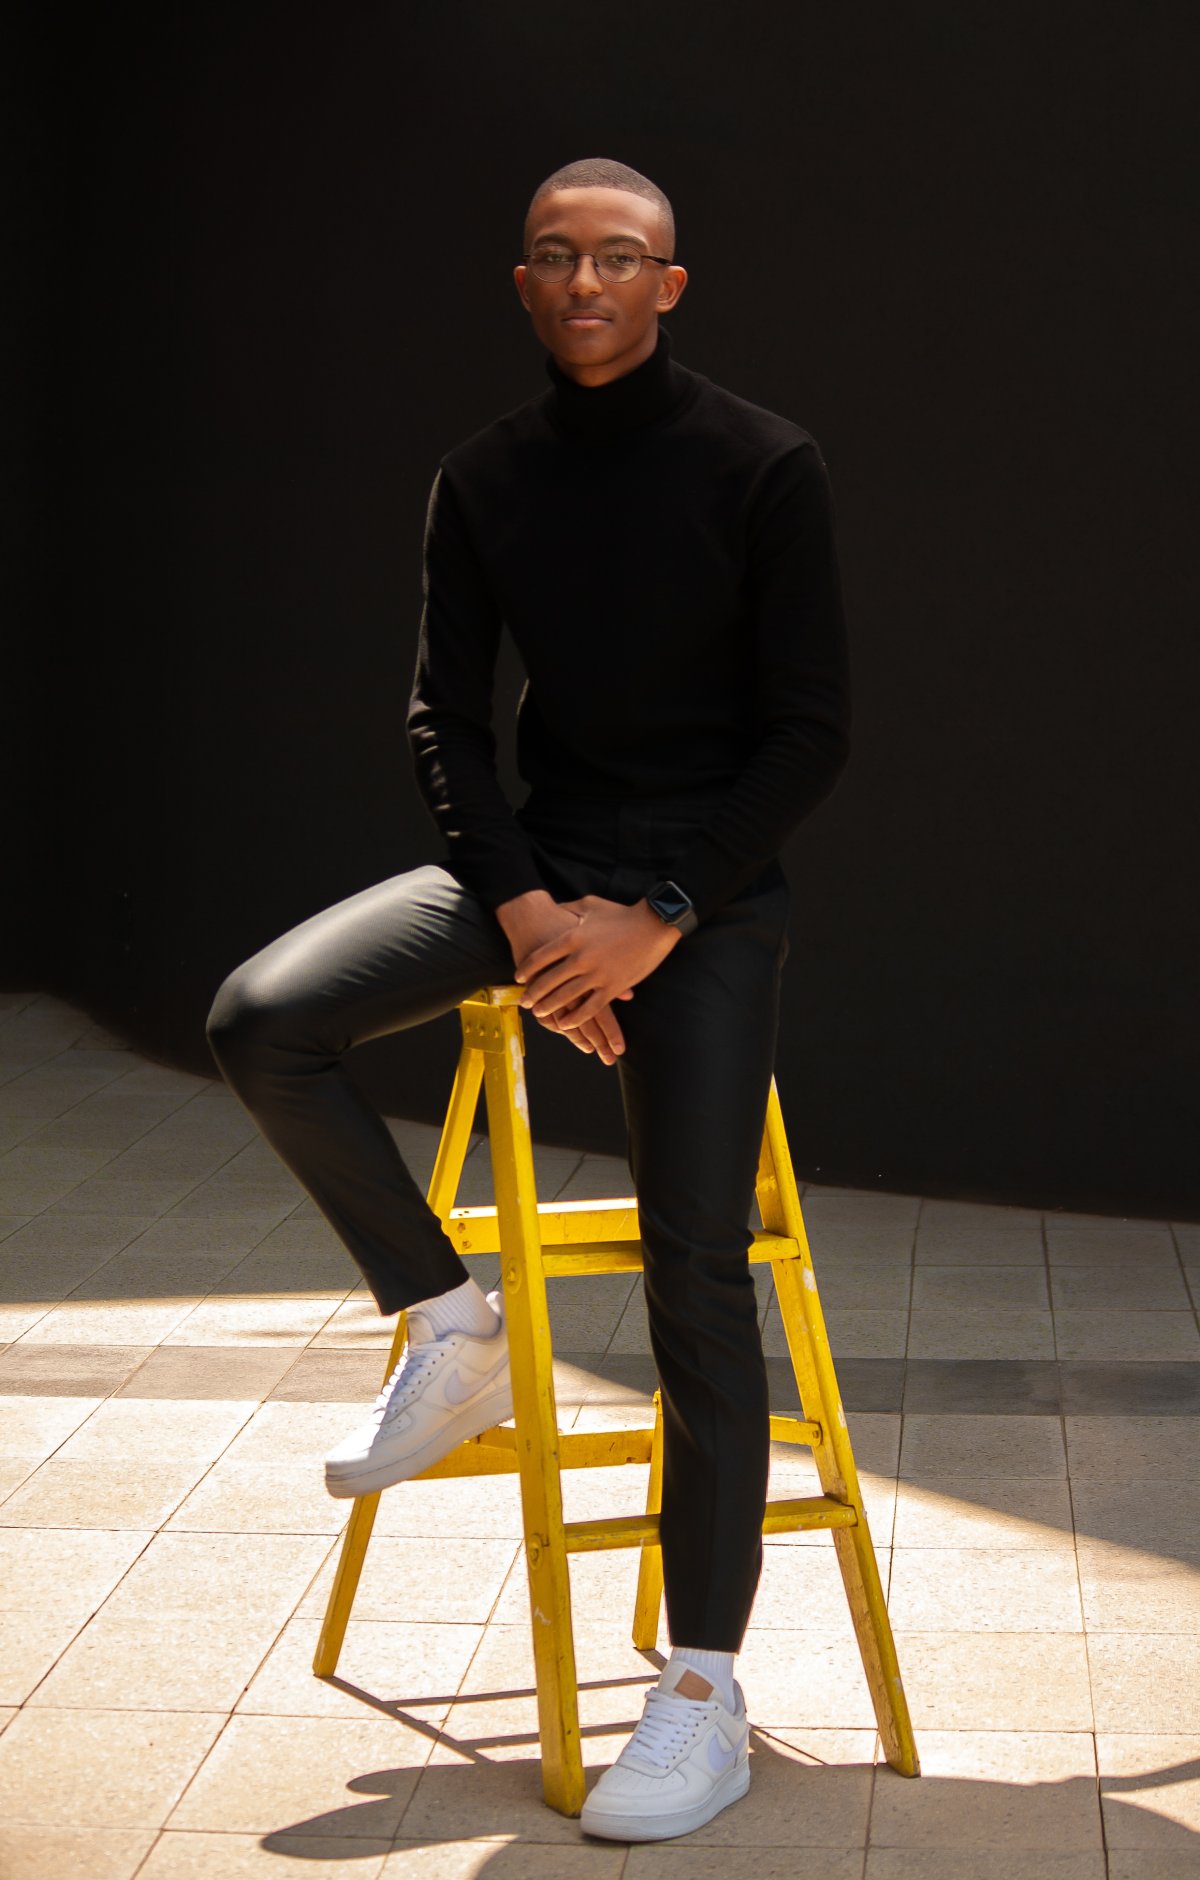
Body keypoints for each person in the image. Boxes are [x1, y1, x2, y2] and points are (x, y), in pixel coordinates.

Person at [206, 155, 850, 1843]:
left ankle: (699, 1689)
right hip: (534, 875)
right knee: (264, 1019)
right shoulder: (483, 475)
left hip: (695, 901)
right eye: (556, 257)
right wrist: (530, 909)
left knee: (694, 1268)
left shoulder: (764, 463)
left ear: (669, 285)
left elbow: (810, 733)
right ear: (522, 282)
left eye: (619, 258)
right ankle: (448, 1325)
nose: (586, 282)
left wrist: (651, 917)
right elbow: (444, 721)